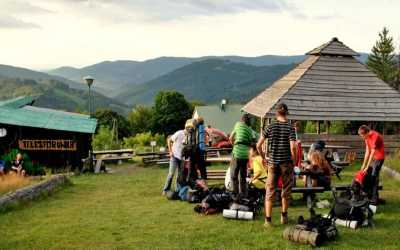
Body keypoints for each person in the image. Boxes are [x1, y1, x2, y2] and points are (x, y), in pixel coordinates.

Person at [256, 103, 297, 227]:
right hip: (286, 163)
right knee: (286, 190)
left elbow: (258, 145)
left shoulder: (270, 126)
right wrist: (293, 159)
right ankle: (284, 217)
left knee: (270, 191)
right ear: (286, 113)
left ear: (276, 113)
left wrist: (263, 158)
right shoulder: (290, 127)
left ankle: (268, 221)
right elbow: (293, 146)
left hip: (272, 163)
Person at [229, 113, 255, 201]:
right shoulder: (250, 130)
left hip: (237, 153)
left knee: (234, 175)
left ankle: (235, 195)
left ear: (242, 119)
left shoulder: (238, 125)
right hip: (245, 155)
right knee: (243, 176)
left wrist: (234, 145)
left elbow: (230, 138)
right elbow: (252, 142)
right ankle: (243, 195)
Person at [358, 125, 385, 205]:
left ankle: (374, 199)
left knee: (374, 177)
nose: (361, 137)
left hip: (379, 157)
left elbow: (372, 153)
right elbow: (367, 151)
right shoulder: (366, 138)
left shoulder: (375, 136)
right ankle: (370, 196)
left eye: (361, 136)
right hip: (374, 158)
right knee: (369, 176)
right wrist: (363, 165)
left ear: (365, 133)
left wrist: (367, 167)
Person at [162, 130, 185, 195]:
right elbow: (169, 140)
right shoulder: (179, 133)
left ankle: (177, 190)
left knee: (179, 174)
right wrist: (170, 151)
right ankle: (166, 189)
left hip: (182, 157)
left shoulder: (190, 136)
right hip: (174, 156)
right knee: (171, 173)